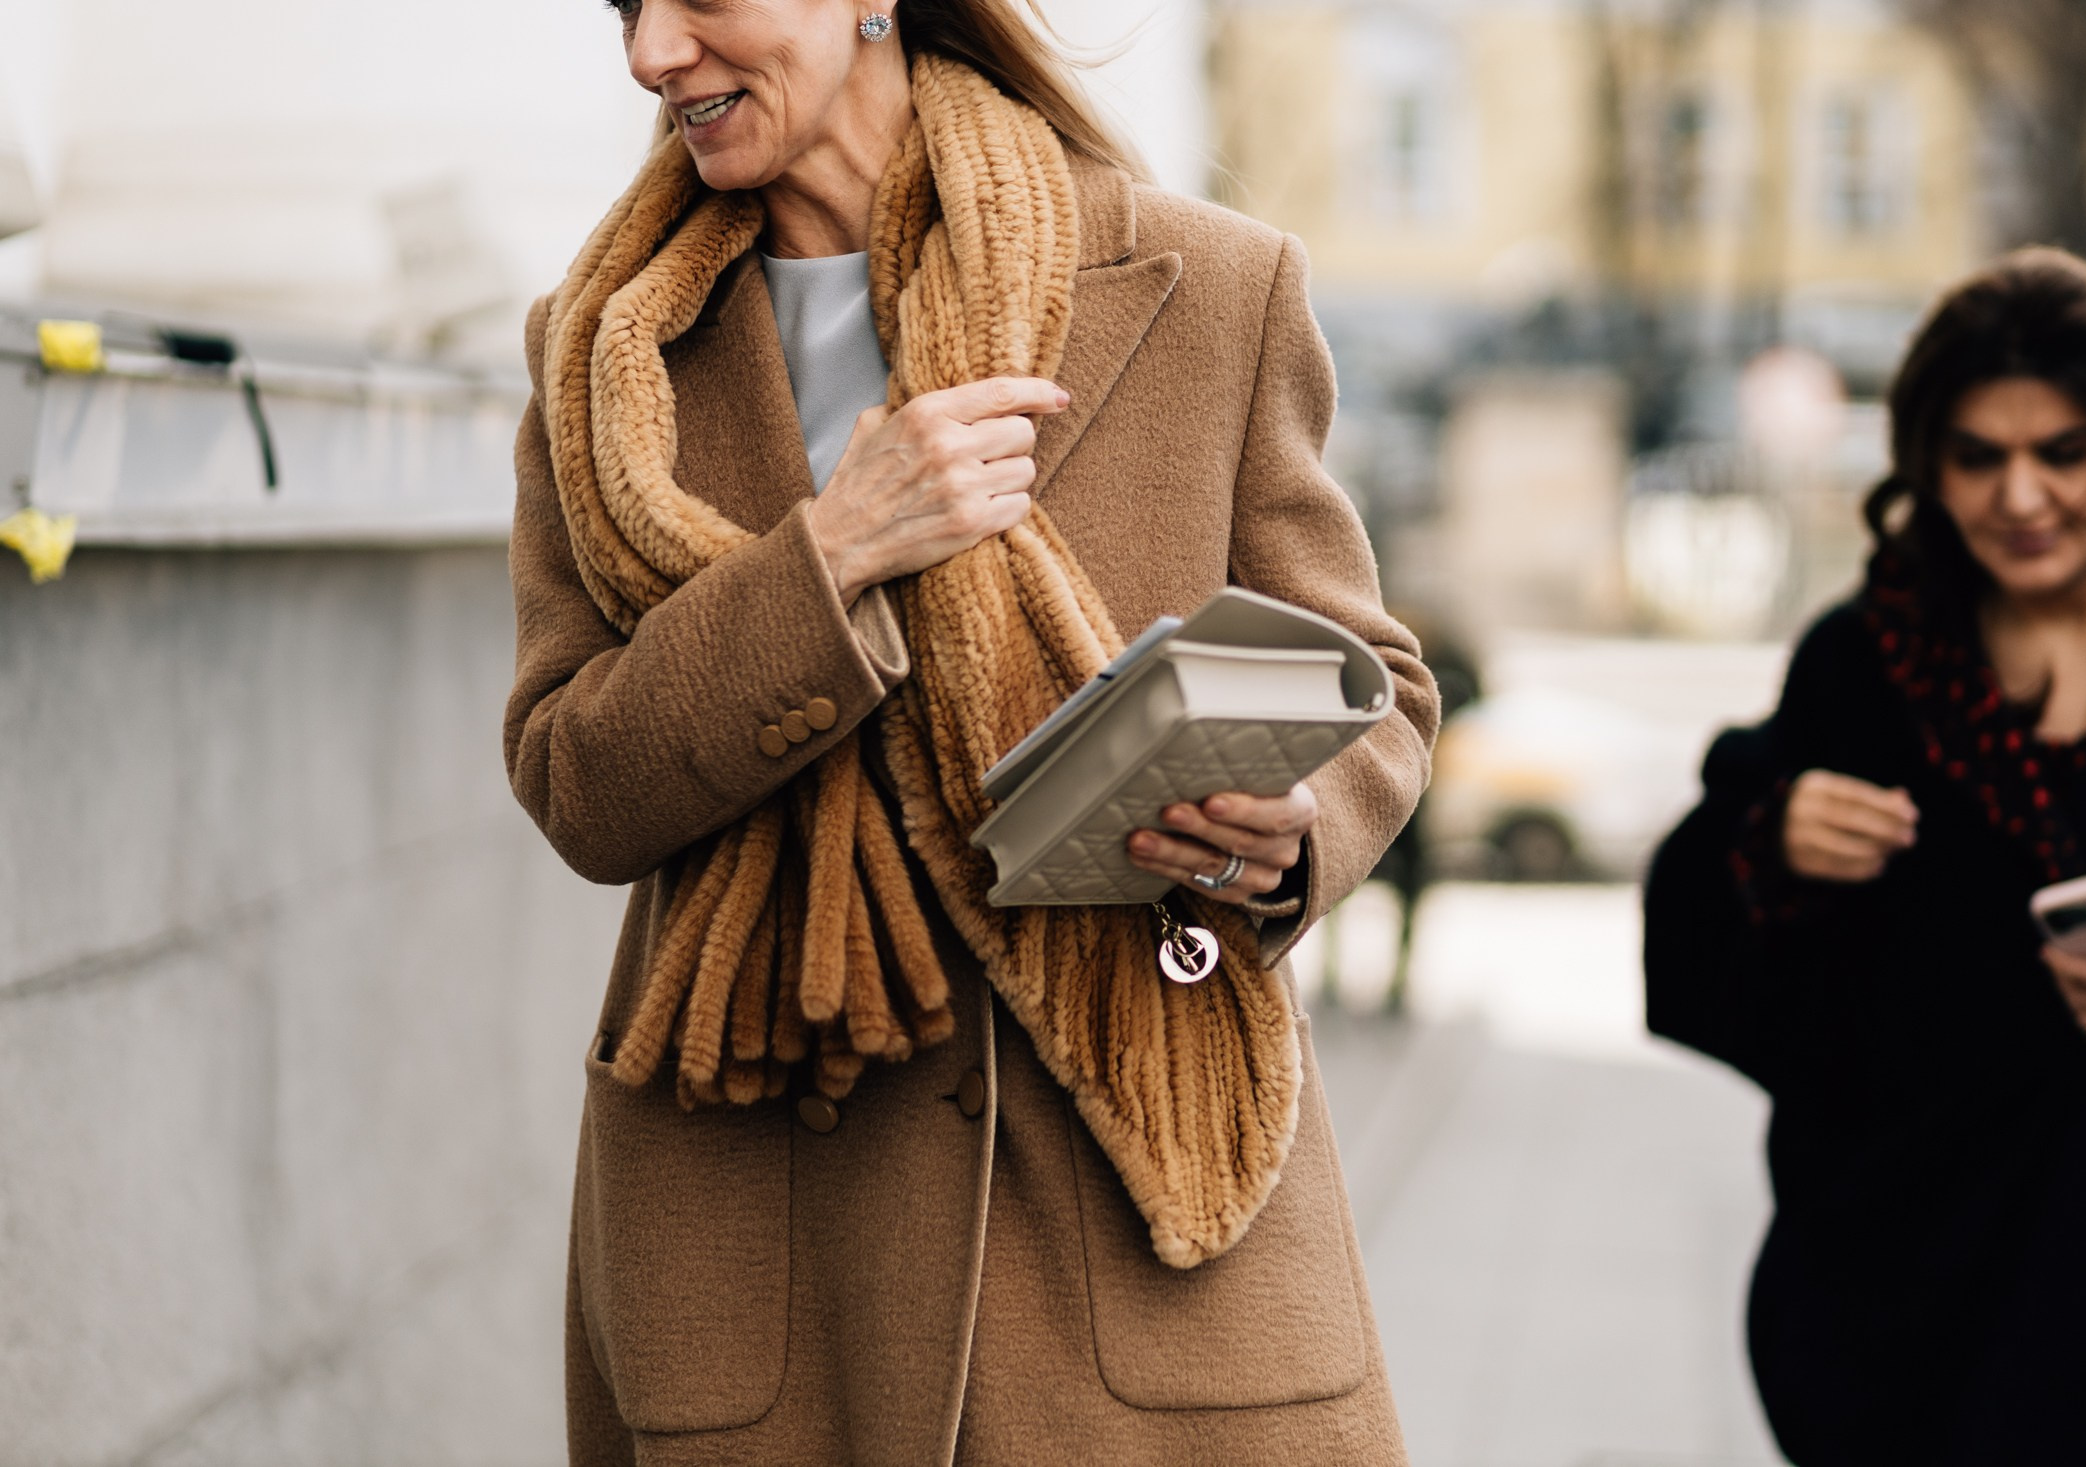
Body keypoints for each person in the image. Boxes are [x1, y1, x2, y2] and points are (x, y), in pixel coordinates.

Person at [502, 2, 1436, 1462]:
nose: (651, 54)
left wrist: (1289, 826)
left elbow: (1372, 678)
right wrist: (830, 559)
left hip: (1139, 1234)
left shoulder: (1213, 285)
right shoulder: (601, 358)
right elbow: (575, 777)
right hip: (774, 1235)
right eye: (625, 8)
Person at [1645, 247, 2086, 1465]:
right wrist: (1774, 840)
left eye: (2061, 452)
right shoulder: (1869, 657)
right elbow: (1697, 914)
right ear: (1924, 466)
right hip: (1917, 1286)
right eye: (1976, 457)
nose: (2020, 496)